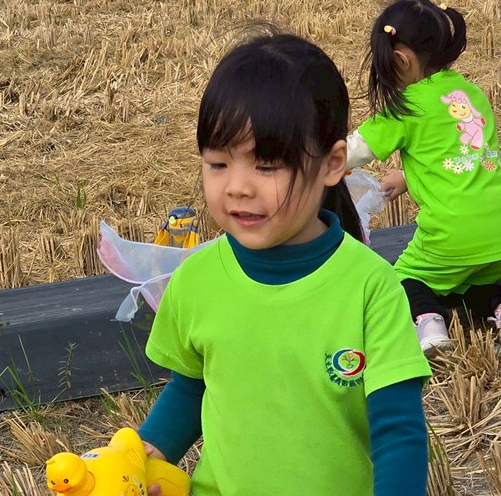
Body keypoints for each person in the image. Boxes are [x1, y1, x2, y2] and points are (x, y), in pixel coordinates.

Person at [138, 28, 432, 496]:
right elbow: (190, 389)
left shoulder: (369, 287)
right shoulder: (195, 280)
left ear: (332, 164)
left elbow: (398, 430)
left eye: (267, 166)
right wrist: (140, 460)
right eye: (218, 164)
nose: (238, 187)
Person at [345, 0, 501, 359]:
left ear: (401, 59)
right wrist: (408, 176)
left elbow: (355, 150)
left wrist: (316, 161)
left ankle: (429, 325)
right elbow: (460, 155)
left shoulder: (407, 106)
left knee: (403, 280)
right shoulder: (469, 92)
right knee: (463, 280)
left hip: (454, 232)